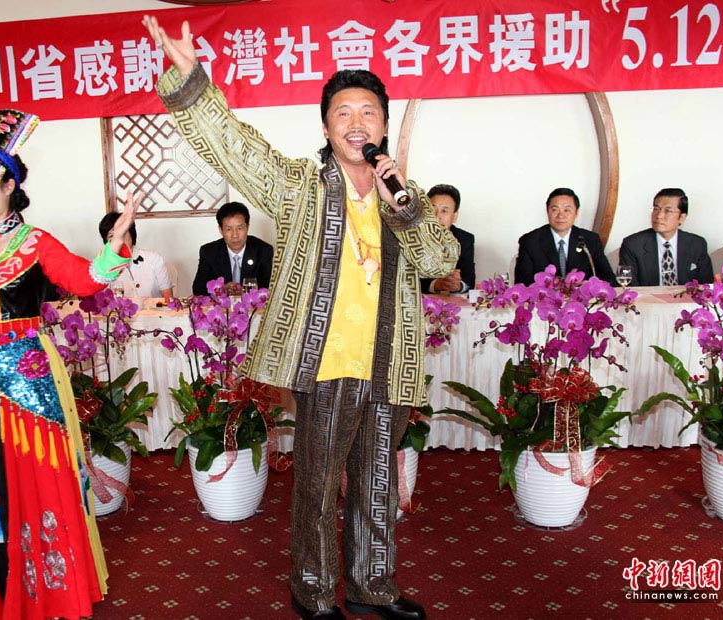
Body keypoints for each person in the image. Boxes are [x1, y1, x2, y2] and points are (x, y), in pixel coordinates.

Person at [145, 15, 458, 620]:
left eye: (368, 113)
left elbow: (441, 260)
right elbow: (238, 149)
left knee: (377, 480)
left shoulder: (404, 195)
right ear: (326, 126)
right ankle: (312, 591)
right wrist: (192, 80)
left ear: (384, 125)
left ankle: (372, 587)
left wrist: (402, 206)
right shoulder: (300, 187)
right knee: (317, 484)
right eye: (344, 113)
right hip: (328, 362)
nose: (357, 123)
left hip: (389, 361)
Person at [0, 109, 135, 620]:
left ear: (9, 185)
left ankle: (49, 591)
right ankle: (0, 587)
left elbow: (86, 280)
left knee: (41, 479)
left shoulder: (35, 243)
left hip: (28, 383)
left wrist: (115, 242)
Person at [514, 187, 617, 285]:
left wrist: (590, 285)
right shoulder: (530, 241)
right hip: (545, 297)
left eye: (567, 210)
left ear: (576, 213)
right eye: (555, 210)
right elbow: (522, 283)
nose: (561, 216)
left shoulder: (590, 240)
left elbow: (609, 279)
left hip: (581, 297)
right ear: (547, 211)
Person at [619, 188, 713, 286]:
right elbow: (630, 288)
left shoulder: (697, 244)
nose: (659, 216)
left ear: (682, 217)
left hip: (686, 296)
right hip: (648, 296)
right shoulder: (633, 245)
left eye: (668, 211)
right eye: (656, 209)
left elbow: (706, 285)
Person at [191, 201, 273, 295]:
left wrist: (246, 292)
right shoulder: (209, 252)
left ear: (247, 227)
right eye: (229, 229)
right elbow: (198, 289)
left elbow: (269, 287)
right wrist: (222, 289)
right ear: (221, 230)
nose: (235, 235)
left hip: (252, 304)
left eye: (240, 228)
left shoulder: (263, 250)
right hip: (222, 304)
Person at [98, 211, 173, 300]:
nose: (118, 240)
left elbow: (168, 298)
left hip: (153, 309)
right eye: (111, 236)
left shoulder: (154, 258)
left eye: (122, 233)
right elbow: (102, 301)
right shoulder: (104, 266)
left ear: (131, 232)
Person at [420, 184, 475, 294]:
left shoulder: (464, 239)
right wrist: (435, 284)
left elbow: (469, 281)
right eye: (432, 209)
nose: (437, 216)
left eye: (444, 211)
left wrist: (457, 285)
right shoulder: (409, 236)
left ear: (454, 216)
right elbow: (403, 280)